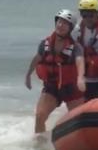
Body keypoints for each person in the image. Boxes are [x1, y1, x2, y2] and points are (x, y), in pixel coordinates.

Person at [24, 9, 86, 137]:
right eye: (59, 22)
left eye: (65, 23)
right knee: (40, 116)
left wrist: (80, 78)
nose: (60, 25)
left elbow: (80, 61)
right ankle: (40, 145)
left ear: (70, 28)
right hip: (52, 86)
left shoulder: (75, 47)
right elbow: (37, 59)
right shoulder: (45, 44)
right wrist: (28, 75)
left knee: (78, 120)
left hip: (71, 87)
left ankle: (77, 143)